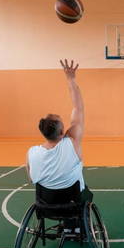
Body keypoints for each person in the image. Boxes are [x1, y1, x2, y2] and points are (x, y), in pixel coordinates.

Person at [26, 59, 92, 228]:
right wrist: (70, 79)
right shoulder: (72, 142)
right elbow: (79, 108)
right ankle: (77, 226)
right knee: (86, 195)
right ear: (63, 133)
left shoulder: (32, 152)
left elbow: (31, 178)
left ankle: (68, 223)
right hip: (72, 200)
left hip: (45, 204)